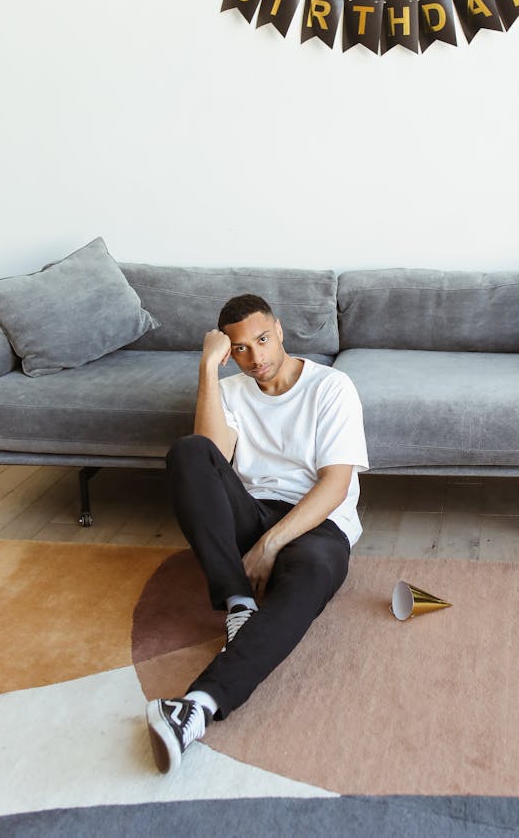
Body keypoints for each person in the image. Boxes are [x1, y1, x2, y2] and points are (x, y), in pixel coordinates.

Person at [146, 293, 368, 773]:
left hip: (317, 525)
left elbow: (334, 486)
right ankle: (239, 604)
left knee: (308, 582)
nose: (255, 358)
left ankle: (197, 707)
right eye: (239, 349)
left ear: (280, 330)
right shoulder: (229, 391)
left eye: (262, 340)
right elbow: (207, 457)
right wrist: (208, 368)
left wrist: (270, 546)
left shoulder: (332, 387)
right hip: (250, 511)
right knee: (186, 451)